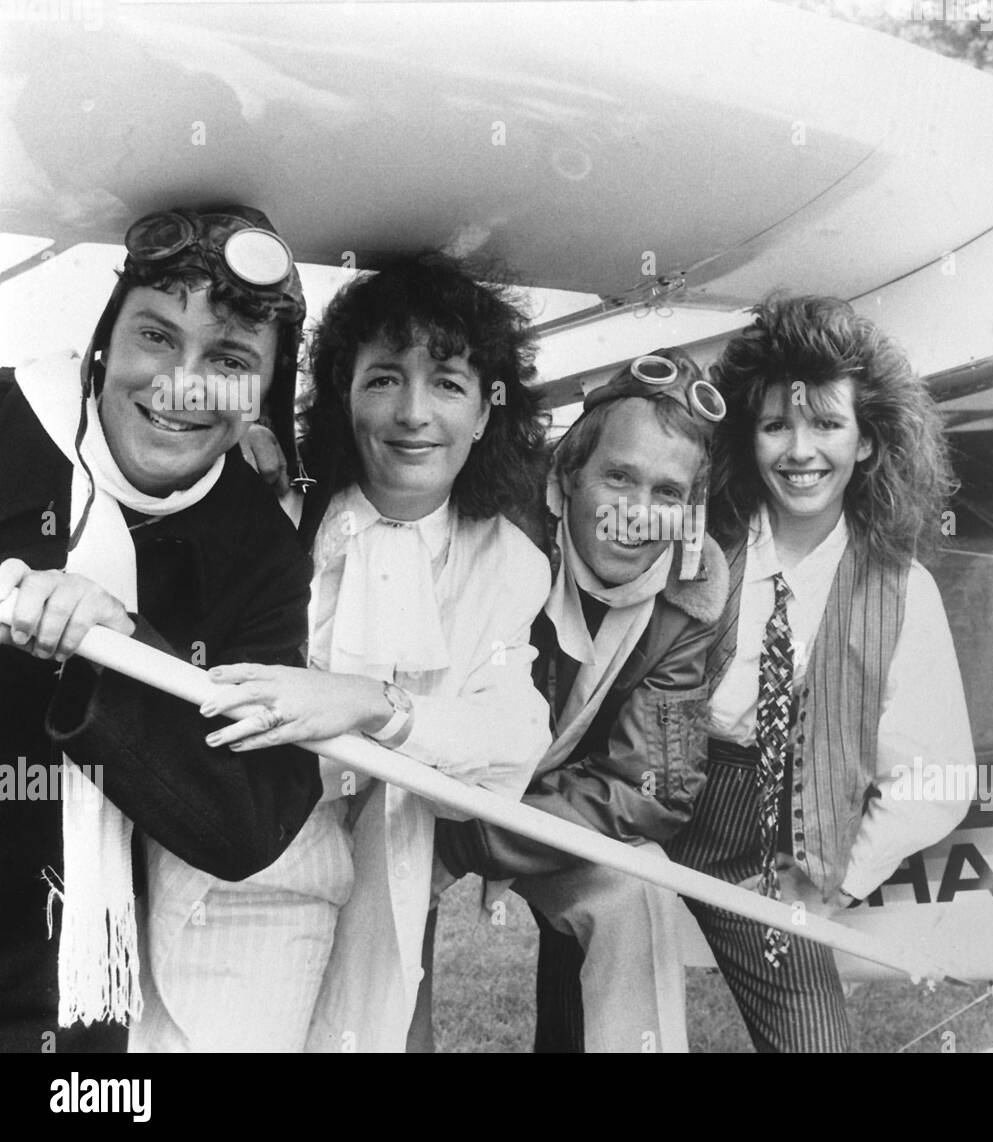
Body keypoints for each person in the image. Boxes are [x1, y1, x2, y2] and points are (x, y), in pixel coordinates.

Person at [132, 256, 553, 1053]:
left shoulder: (509, 563)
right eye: (384, 378)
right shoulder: (278, 508)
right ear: (344, 392)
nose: (413, 414)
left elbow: (506, 749)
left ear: (489, 412)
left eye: (450, 384)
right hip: (249, 873)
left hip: (384, 873)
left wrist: (370, 705)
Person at [537, 294, 976, 1052]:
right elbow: (586, 528)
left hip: (768, 847)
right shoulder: (697, 537)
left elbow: (939, 776)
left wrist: (836, 878)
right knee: (585, 1005)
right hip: (644, 803)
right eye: (777, 425)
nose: (800, 451)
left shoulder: (899, 592)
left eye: (828, 425)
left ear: (869, 441)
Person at [0, 205, 322, 1052]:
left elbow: (248, 824)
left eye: (227, 360)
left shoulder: (260, 549)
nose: (181, 385)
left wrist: (121, 648)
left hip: (81, 982)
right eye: (156, 336)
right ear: (105, 340)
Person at [433, 347, 728, 1053]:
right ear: (566, 477)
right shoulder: (496, 525)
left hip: (540, 807)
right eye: (619, 477)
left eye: (667, 494)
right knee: (381, 972)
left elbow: (651, 789)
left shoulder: (694, 591)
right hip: (421, 778)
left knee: (639, 885)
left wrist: (485, 837)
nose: (637, 515)